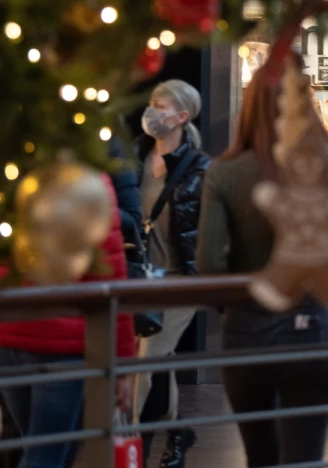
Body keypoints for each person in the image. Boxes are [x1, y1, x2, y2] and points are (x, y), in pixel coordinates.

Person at [197, 55, 328, 467]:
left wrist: (238, 303)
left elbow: (208, 263)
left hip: (247, 330)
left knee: (260, 456)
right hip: (311, 330)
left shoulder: (224, 174)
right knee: (304, 456)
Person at [0, 175, 135, 468]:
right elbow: (110, 273)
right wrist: (123, 361)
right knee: (46, 455)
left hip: (8, 335)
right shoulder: (89, 180)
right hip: (63, 343)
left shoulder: (11, 166)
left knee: (42, 448)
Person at [135, 79, 210, 468]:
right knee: (155, 360)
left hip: (181, 281)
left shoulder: (201, 168)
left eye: (160, 106)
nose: (152, 112)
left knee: (146, 362)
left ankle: (133, 439)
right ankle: (178, 427)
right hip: (142, 280)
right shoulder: (136, 159)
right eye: (151, 104)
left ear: (181, 116)